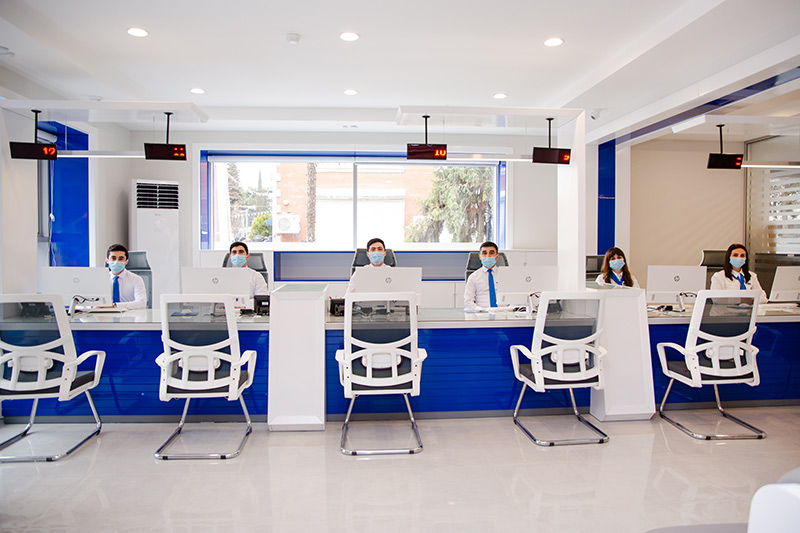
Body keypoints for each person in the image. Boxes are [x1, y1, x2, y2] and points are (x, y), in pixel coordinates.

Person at [106, 244, 146, 310]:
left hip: (130, 315)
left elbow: (142, 303)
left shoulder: (136, 279)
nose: (116, 261)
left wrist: (115, 306)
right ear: (107, 260)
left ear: (126, 261)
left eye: (121, 258)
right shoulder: (102, 279)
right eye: (113, 258)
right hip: (106, 315)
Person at [464, 241, 502, 310]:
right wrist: (479, 310)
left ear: (497, 257)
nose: (488, 256)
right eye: (484, 253)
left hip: (503, 313)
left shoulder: (506, 275)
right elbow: (468, 301)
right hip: (482, 313)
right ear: (480, 256)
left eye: (491, 253)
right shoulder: (473, 277)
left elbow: (514, 299)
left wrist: (509, 310)